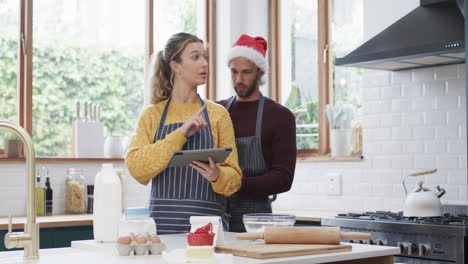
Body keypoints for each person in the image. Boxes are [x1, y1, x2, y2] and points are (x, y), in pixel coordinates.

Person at [125, 32, 242, 235]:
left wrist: (218, 175)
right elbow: (137, 168)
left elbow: (234, 180)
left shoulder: (217, 114)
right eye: (196, 57)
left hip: (208, 231)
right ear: (176, 66)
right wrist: (180, 134)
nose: (204, 63)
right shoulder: (152, 115)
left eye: (204, 57)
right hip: (162, 230)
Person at [218, 34, 297, 232]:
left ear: (260, 72)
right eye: (234, 72)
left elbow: (283, 178)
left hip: (255, 218)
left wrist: (233, 183)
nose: (238, 79)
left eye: (246, 72)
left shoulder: (280, 116)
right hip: (217, 212)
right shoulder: (217, 112)